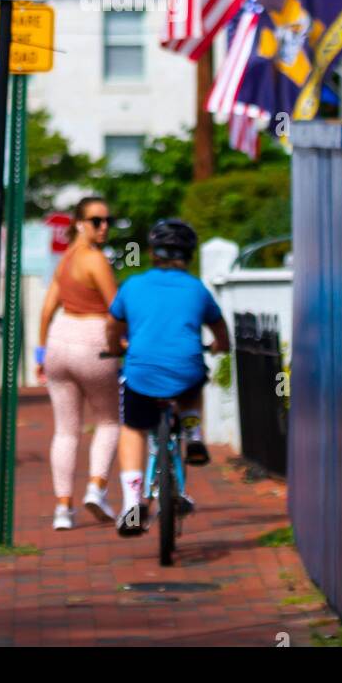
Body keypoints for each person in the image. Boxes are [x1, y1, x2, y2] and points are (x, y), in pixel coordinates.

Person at [106, 218, 230, 536]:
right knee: (194, 381)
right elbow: (219, 328)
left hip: (141, 372)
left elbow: (113, 326)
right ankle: (194, 432)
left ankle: (133, 501)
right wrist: (220, 346)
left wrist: (115, 347)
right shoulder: (196, 288)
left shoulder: (132, 285)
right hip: (185, 370)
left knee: (133, 428)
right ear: (188, 255)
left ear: (152, 253)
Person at [36, 195, 120, 530]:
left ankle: (62, 509)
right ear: (79, 224)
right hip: (94, 340)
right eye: (97, 221)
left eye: (107, 221)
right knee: (110, 421)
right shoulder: (95, 260)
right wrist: (127, 339)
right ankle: (96, 489)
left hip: (59, 341)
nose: (104, 227)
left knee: (66, 430)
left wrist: (40, 355)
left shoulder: (65, 259)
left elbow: (45, 311)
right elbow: (116, 309)